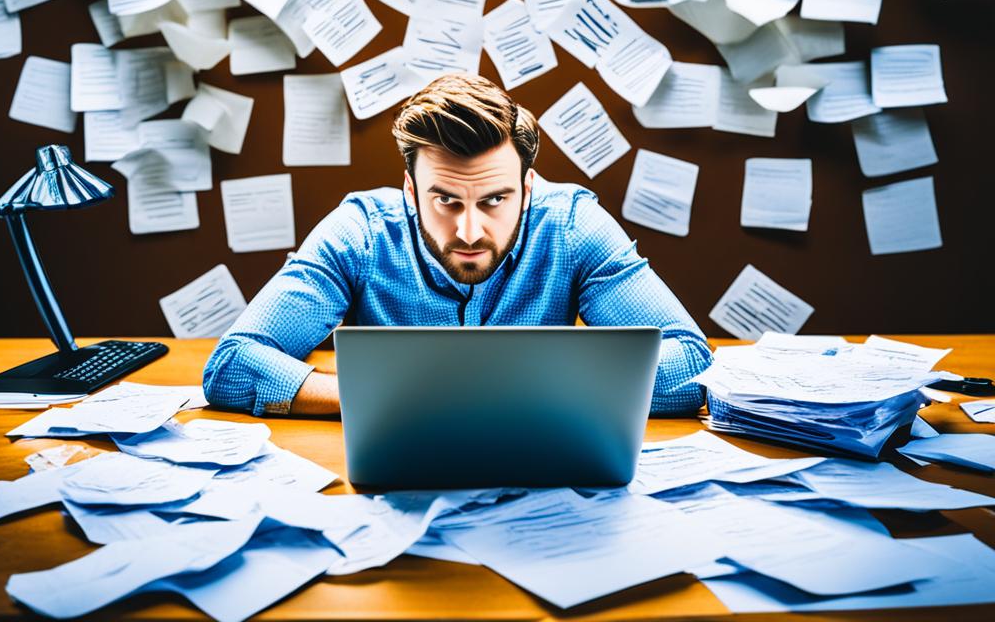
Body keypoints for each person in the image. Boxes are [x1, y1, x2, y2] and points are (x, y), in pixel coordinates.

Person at [203, 73, 712, 417]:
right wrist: (397, 401)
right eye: (445, 200)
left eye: (494, 199)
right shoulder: (359, 231)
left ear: (528, 187)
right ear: (410, 189)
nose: (469, 231)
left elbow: (692, 365)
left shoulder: (574, 226)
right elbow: (232, 366)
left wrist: (515, 398)